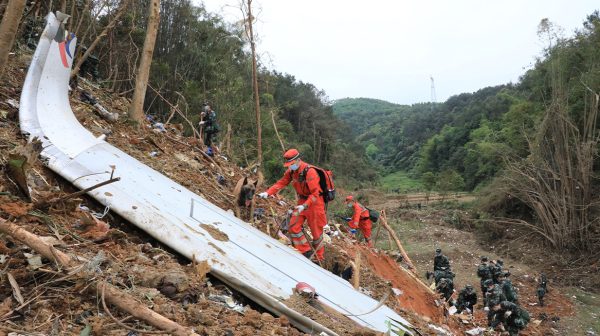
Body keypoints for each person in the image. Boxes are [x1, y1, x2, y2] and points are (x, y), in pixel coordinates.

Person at [258, 149, 327, 262]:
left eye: (292, 164)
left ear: (298, 160)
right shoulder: (291, 172)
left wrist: (305, 206)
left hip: (315, 203)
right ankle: (306, 252)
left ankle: (319, 259)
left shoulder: (310, 172)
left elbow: (315, 193)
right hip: (302, 201)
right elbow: (281, 182)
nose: (290, 167)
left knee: (316, 233)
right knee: (293, 226)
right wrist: (268, 192)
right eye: (289, 165)